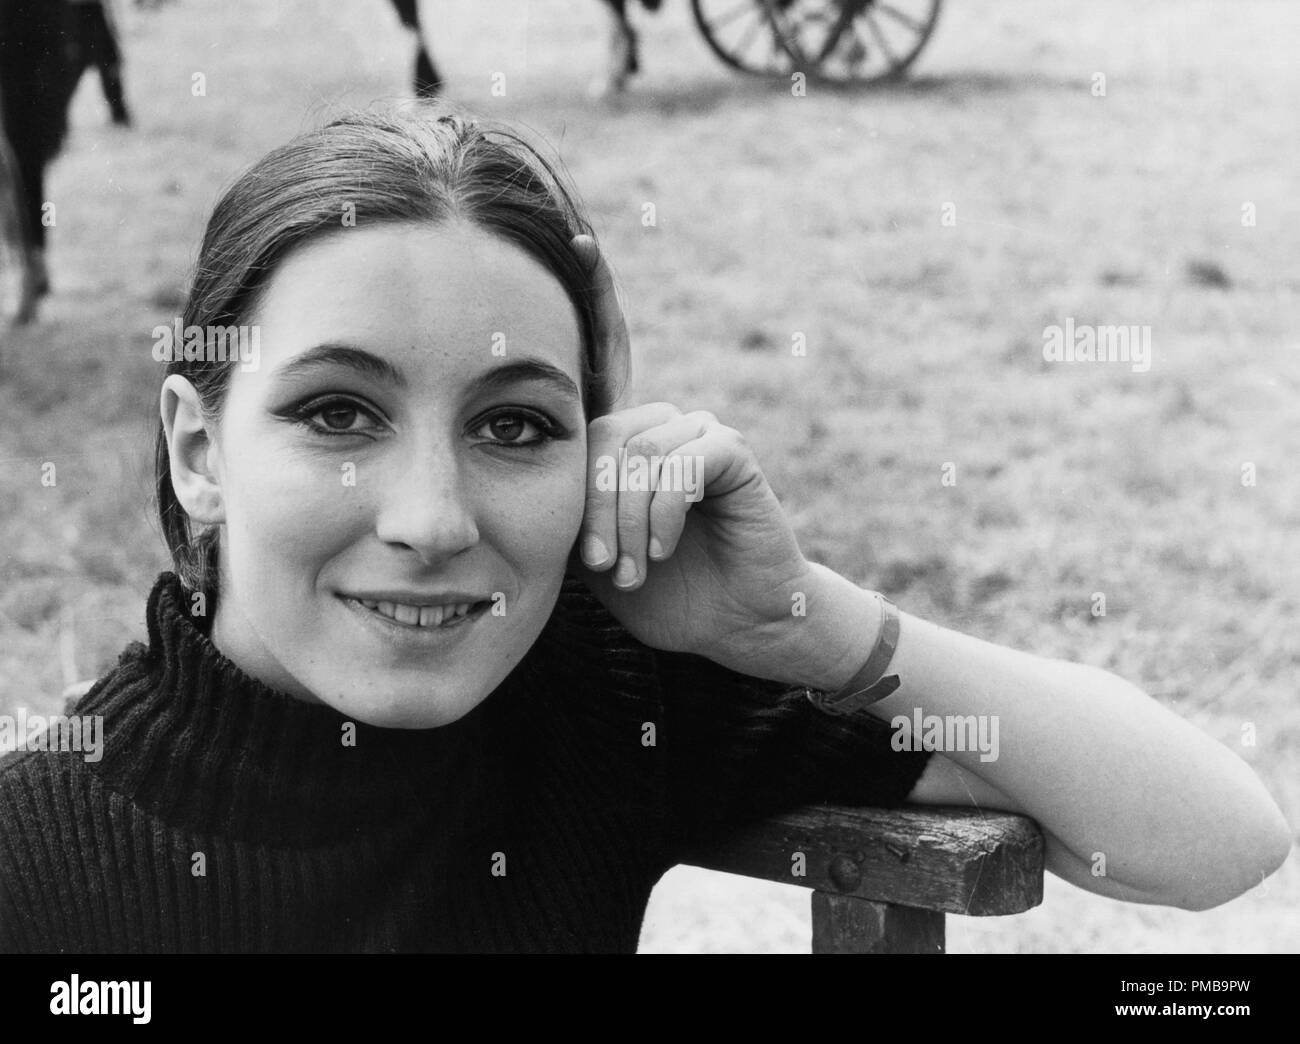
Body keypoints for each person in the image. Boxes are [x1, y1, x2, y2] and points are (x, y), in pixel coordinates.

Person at [0, 107, 1289, 953]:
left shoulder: (597, 704)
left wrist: (812, 626)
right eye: (340, 413)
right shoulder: (35, 860)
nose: (434, 520)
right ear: (197, 448)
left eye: (516, 428)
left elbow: (1212, 840)